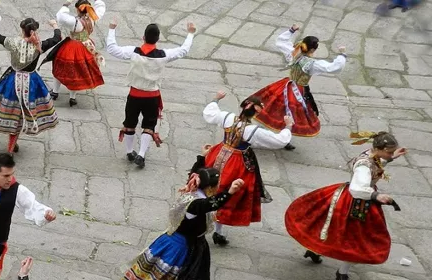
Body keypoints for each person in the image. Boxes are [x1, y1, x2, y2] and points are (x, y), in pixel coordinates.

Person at [285, 132, 405, 280]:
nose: (390, 154)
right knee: (356, 240)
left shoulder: (371, 155)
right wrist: (376, 196)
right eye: (389, 152)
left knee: (328, 226)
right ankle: (342, 273)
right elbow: (357, 188)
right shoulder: (364, 166)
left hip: (346, 198)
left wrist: (392, 158)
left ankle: (315, 250)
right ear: (379, 149)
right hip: (357, 203)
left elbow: (377, 164)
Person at [124, 147, 241, 280]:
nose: (218, 188)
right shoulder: (196, 204)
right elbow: (211, 204)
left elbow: (196, 173)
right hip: (181, 248)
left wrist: (202, 158)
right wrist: (229, 192)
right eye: (217, 186)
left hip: (190, 243)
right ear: (209, 188)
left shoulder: (193, 189)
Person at [202, 90, 292, 246]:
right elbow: (279, 141)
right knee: (228, 194)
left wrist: (216, 98)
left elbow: (210, 113)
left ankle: (209, 225)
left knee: (211, 188)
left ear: (242, 107)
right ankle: (217, 231)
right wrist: (288, 126)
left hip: (219, 153)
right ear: (255, 114)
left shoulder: (227, 118)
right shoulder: (252, 131)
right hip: (236, 162)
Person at [106, 19, 195, 169]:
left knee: (130, 123)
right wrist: (190, 34)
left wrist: (112, 29)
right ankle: (141, 154)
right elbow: (183, 50)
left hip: (134, 95)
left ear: (143, 37)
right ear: (158, 39)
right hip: (152, 96)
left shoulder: (133, 52)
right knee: (149, 125)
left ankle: (129, 151)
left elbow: (112, 48)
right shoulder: (164, 54)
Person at [248, 23, 346, 150]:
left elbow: (280, 42)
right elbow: (334, 67)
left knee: (276, 109)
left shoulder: (293, 53)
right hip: (298, 91)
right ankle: (283, 137)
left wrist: (291, 30)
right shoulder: (312, 64)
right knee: (292, 114)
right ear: (312, 50)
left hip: (284, 86)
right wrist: (342, 55)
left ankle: (278, 135)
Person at [0, 18, 61, 153]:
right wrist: (55, 25)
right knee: (23, 111)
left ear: (22, 30)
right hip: (32, 81)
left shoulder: (13, 43)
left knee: (14, 111)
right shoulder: (40, 45)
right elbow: (57, 38)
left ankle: (12, 143)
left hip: (12, 80)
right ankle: (12, 144)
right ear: (34, 30)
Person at [42, 0, 106, 107]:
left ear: (77, 9)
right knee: (77, 71)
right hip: (87, 45)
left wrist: (65, 5)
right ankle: (72, 98)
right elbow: (101, 7)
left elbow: (61, 17)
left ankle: (55, 91)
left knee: (59, 67)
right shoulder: (93, 18)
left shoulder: (75, 22)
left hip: (72, 47)